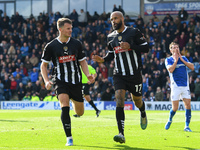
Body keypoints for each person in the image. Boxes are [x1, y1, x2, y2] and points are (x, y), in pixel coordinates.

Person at [92, 11, 149, 144]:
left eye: (116, 18)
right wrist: (103, 59)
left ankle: (143, 112)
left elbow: (146, 48)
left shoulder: (134, 32)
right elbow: (111, 54)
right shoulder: (110, 37)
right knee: (119, 100)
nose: (113, 21)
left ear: (122, 19)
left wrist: (131, 46)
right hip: (119, 74)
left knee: (137, 101)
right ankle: (121, 133)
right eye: (111, 19)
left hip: (134, 74)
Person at [40, 18, 94, 146]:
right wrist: (47, 81)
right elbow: (43, 66)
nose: (71, 30)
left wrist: (87, 74)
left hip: (76, 82)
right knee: (64, 106)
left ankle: (75, 101)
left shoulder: (76, 44)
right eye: (68, 28)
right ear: (60, 29)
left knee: (80, 112)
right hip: (60, 81)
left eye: (71, 28)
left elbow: (82, 61)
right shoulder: (51, 46)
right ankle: (69, 138)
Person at [165, 42, 194, 132]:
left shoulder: (184, 58)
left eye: (177, 47)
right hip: (175, 86)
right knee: (175, 108)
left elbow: (192, 67)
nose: (176, 49)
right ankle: (170, 119)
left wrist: (182, 59)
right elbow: (170, 69)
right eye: (174, 48)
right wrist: (176, 61)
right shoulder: (168, 60)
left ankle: (187, 126)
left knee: (188, 105)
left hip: (185, 85)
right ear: (171, 50)